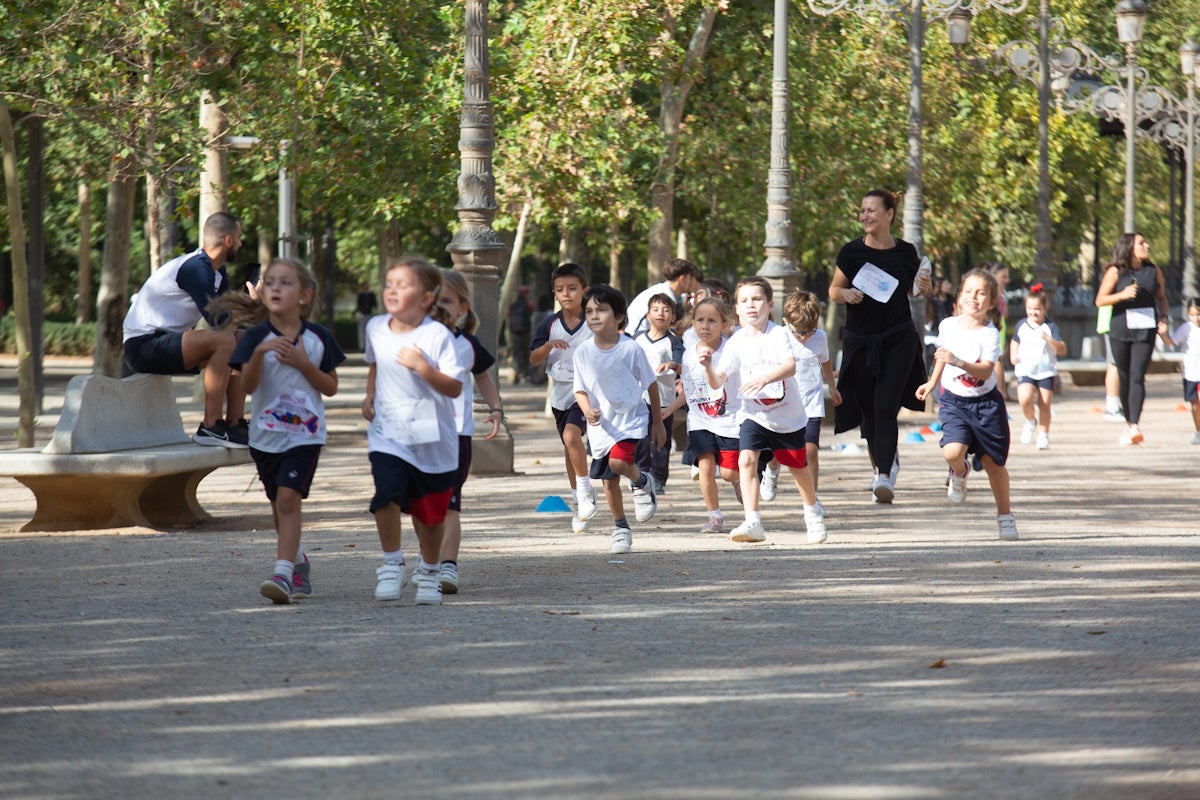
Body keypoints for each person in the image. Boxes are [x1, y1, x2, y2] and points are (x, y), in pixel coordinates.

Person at [217, 258, 345, 604]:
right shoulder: (255, 337)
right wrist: (257, 355)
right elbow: (247, 385)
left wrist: (304, 364)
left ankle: (283, 573)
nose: (274, 288)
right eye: (270, 282)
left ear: (305, 295)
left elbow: (330, 387)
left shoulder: (318, 338)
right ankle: (298, 560)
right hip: (265, 436)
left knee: (289, 499)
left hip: (306, 435)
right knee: (278, 502)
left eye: (284, 283)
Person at [362, 256, 466, 607]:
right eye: (389, 283)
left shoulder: (436, 335)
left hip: (432, 439)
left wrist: (423, 367)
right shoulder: (375, 327)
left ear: (425, 298)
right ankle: (391, 564)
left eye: (403, 285)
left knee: (430, 514)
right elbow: (376, 364)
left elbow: (453, 387)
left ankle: (430, 570)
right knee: (385, 495)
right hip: (388, 433)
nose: (392, 290)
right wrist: (369, 394)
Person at [699, 277, 826, 545]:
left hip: (786, 417)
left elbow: (789, 366)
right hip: (752, 414)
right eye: (744, 301)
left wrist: (764, 378)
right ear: (736, 308)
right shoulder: (736, 341)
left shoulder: (777, 334)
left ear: (769, 304)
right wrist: (708, 367)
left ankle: (812, 513)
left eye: (757, 299)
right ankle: (752, 520)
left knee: (798, 467)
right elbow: (717, 381)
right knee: (746, 460)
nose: (751, 305)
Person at [829, 188, 931, 504]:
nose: (866, 216)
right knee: (869, 410)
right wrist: (845, 295)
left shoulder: (905, 251)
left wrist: (923, 287)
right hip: (860, 341)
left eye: (872, 210)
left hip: (898, 338)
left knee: (885, 404)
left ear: (889, 214)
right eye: (862, 210)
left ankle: (884, 476)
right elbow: (833, 289)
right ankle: (883, 466)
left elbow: (915, 292)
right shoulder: (851, 252)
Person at [122, 211, 248, 448]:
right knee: (223, 340)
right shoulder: (195, 269)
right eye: (239, 238)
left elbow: (230, 323)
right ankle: (210, 426)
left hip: (167, 342)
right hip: (143, 346)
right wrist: (250, 304)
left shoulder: (218, 273)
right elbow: (218, 321)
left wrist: (249, 303)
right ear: (228, 240)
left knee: (243, 340)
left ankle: (235, 424)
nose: (241, 244)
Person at [916, 269, 1018, 541]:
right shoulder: (948, 325)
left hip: (986, 405)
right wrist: (931, 382)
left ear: (992, 302)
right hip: (953, 401)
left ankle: (1005, 516)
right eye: (968, 291)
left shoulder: (990, 334)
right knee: (952, 451)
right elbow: (941, 357)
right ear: (959, 297)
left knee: (993, 464)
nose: (974, 297)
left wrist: (957, 361)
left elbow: (985, 371)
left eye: (981, 293)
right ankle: (958, 472)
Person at [572, 284, 665, 555]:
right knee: (609, 481)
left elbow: (651, 384)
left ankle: (642, 481)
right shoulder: (583, 353)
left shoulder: (630, 349)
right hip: (602, 427)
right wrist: (587, 409)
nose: (594, 316)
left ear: (619, 317)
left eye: (601, 310)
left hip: (631, 421)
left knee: (618, 462)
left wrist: (658, 422)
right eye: (588, 311)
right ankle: (621, 528)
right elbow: (579, 390)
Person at [433, 270, 503, 595]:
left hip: (456, 435)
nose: (438, 307)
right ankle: (428, 562)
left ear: (462, 307)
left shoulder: (467, 345)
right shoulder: (413, 342)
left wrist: (496, 410)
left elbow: (484, 378)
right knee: (425, 504)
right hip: (419, 435)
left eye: (445, 301)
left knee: (450, 504)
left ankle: (448, 566)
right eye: (432, 300)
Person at [529, 263, 595, 533]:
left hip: (588, 394)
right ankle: (578, 501)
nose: (566, 294)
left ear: (584, 290)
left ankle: (586, 492)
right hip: (560, 394)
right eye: (559, 290)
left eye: (572, 288)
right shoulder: (550, 324)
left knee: (571, 436)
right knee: (570, 447)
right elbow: (533, 359)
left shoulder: (594, 319)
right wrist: (547, 346)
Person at [1094, 233, 1171, 446]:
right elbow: (1100, 300)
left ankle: (1135, 425)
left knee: (1138, 375)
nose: (1146, 245)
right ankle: (1128, 423)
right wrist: (1122, 295)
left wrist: (1164, 318)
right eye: (1141, 243)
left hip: (1145, 329)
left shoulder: (1153, 270)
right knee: (1124, 375)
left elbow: (1162, 298)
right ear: (1129, 247)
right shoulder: (1115, 271)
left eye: (1146, 242)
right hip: (1120, 329)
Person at [680, 296, 742, 533]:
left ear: (725, 323)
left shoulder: (732, 349)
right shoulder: (688, 354)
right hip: (699, 420)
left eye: (712, 321)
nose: (705, 326)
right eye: (700, 320)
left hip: (729, 420)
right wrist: (669, 409)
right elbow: (689, 389)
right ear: (693, 323)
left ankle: (737, 480)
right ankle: (714, 516)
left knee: (728, 473)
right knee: (705, 466)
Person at [780, 290, 842, 515]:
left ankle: (812, 500)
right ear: (786, 322)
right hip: (784, 403)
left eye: (810, 331)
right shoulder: (779, 337)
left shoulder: (820, 338)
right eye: (800, 332)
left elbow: (825, 361)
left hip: (811, 401)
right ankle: (772, 471)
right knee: (777, 451)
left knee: (810, 451)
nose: (805, 336)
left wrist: (832, 387)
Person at [633, 292, 685, 492]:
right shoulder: (637, 339)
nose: (660, 314)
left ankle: (659, 478)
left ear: (672, 316)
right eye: (655, 309)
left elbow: (682, 365)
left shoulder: (673, 342)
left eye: (665, 310)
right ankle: (641, 474)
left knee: (660, 441)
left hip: (664, 400)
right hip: (639, 399)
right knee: (641, 438)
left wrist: (671, 364)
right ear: (647, 315)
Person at [1010, 285, 1066, 451]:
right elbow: (1015, 340)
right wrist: (1013, 354)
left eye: (1037, 309)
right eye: (1030, 309)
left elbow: (1062, 349)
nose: (1033, 313)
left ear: (1044, 308)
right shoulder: (1022, 325)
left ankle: (1043, 434)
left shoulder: (1051, 327)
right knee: (1024, 398)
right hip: (1025, 369)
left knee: (1045, 403)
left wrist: (1049, 339)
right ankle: (1030, 421)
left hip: (1045, 371)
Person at [625, 257, 702, 337]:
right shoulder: (665, 297)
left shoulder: (662, 290)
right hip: (637, 338)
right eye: (690, 278)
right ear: (682, 279)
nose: (693, 282)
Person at [1161, 297, 1200, 444]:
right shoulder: (1186, 328)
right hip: (1191, 373)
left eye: (1199, 314)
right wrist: (1163, 334)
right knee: (1195, 405)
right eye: (1192, 315)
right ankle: (1198, 431)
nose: (1196, 318)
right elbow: (1172, 341)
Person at [989, 262, 1011, 398]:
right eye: (1003, 276)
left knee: (997, 358)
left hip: (998, 323)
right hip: (992, 322)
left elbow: (1005, 314)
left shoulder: (1002, 292)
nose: (1006, 280)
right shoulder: (991, 290)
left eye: (1007, 277)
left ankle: (1000, 392)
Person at [507, 285, 535, 383]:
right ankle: (526, 374)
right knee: (526, 352)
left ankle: (516, 371)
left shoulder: (512, 306)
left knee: (516, 353)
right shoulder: (529, 305)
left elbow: (509, 316)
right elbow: (531, 313)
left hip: (514, 332)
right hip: (526, 331)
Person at [355, 281, 378, 351]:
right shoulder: (360, 295)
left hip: (370, 314)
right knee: (361, 332)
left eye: (367, 285)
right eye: (365, 285)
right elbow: (358, 306)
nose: (366, 287)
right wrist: (355, 315)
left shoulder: (372, 295)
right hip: (362, 314)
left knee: (370, 331)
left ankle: (370, 346)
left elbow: (375, 305)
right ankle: (362, 347)